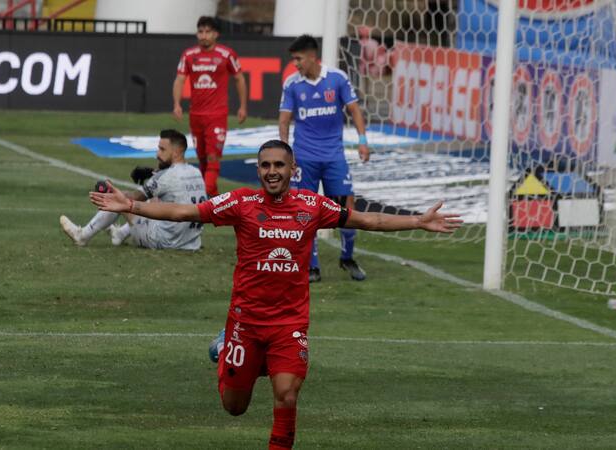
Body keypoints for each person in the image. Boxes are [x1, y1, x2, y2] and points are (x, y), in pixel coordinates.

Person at [90, 139, 461, 450]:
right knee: (234, 407)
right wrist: (133, 206)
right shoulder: (241, 204)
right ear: (259, 170)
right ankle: (226, 349)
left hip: (289, 324)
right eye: (266, 164)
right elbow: (184, 211)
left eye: (279, 165)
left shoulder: (312, 206)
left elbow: (368, 219)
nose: (272, 171)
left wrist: (418, 220)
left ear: (292, 169)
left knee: (287, 394)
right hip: (245, 323)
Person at [278, 34, 370, 283]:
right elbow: (284, 119)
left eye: (298, 59)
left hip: (333, 158)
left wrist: (362, 141)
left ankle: (347, 258)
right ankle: (312, 266)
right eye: (293, 59)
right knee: (305, 212)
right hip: (304, 160)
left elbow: (354, 110)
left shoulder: (337, 79)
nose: (295, 64)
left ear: (311, 57)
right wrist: (284, 153)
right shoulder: (292, 84)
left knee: (346, 210)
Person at [60, 129, 206, 250]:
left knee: (121, 199)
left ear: (176, 152)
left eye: (162, 149)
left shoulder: (165, 177)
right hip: (191, 243)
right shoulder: (196, 172)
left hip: (164, 242)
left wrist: (112, 191)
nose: (157, 154)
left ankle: (82, 236)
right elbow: (170, 183)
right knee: (155, 200)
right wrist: (152, 173)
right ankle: (120, 234)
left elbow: (134, 198)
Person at [173, 15, 248, 197]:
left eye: (208, 32)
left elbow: (239, 78)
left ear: (216, 34)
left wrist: (243, 106)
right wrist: (177, 104)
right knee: (202, 159)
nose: (204, 35)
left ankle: (204, 197)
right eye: (200, 31)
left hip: (217, 115)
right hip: (196, 115)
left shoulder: (226, 54)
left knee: (213, 158)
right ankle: (214, 199)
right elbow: (180, 79)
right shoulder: (189, 55)